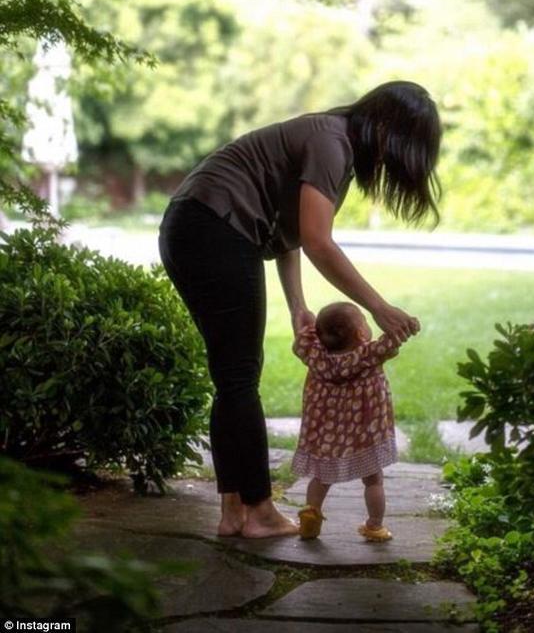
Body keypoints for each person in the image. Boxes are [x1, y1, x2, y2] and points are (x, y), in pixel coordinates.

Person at [158, 80, 442, 539]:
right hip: (214, 229)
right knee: (239, 378)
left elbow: (286, 233)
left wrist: (298, 307)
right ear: (388, 129)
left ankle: (234, 511)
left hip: (193, 226)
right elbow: (317, 241)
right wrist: (380, 308)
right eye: (406, 147)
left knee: (232, 379)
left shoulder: (327, 139)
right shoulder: (333, 143)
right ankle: (260, 512)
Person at [291, 301, 401, 541]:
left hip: (328, 431)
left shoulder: (316, 356)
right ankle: (374, 526)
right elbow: (394, 339)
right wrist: (406, 325)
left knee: (321, 476)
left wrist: (311, 326)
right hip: (364, 432)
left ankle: (311, 517)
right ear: (362, 333)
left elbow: (302, 341)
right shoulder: (368, 355)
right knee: (373, 479)